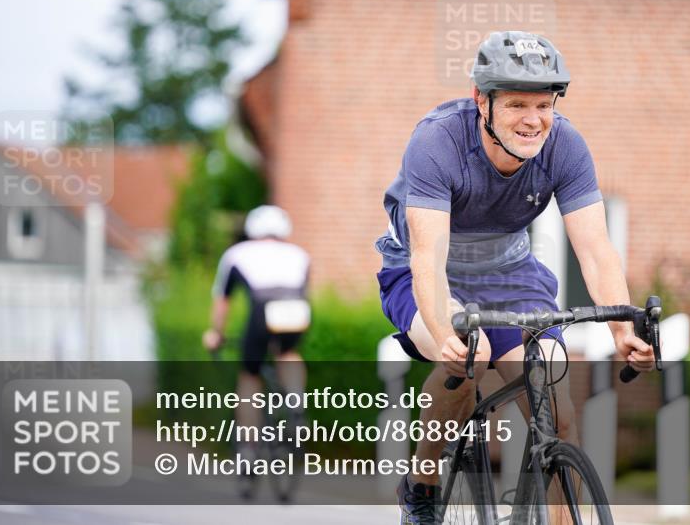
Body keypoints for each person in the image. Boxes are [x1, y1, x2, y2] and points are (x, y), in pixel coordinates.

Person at [375, 31, 656, 524]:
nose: (533, 120)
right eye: (517, 105)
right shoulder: (437, 141)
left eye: (544, 104)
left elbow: (594, 248)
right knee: (470, 356)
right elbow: (427, 255)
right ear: (481, 99)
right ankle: (422, 484)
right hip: (424, 271)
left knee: (557, 408)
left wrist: (622, 331)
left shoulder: (564, 145)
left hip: (509, 272)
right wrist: (446, 333)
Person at [203, 204, 311, 490]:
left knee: (250, 375)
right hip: (296, 309)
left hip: (261, 309)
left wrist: (216, 333)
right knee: (288, 353)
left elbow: (222, 300)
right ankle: (296, 405)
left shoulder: (236, 254)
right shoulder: (299, 254)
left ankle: (249, 451)